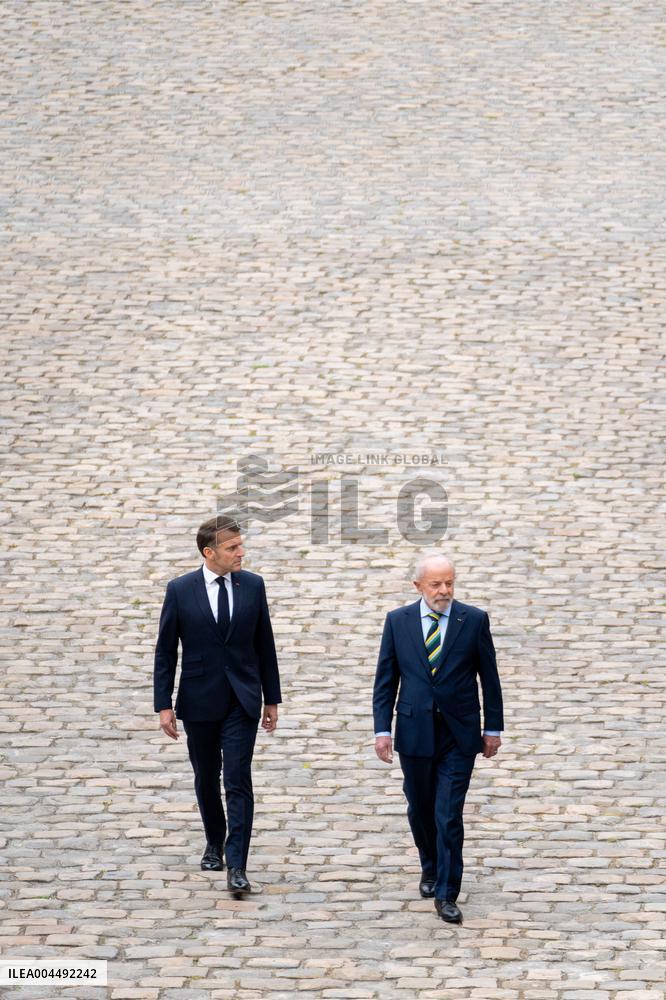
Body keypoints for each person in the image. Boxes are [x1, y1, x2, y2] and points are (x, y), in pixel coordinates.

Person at [153, 515, 281, 895]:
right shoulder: (181, 590)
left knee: (238, 778)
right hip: (198, 700)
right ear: (210, 552)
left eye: (240, 545)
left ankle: (237, 865)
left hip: (242, 699)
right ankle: (214, 839)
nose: (241, 552)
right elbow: (166, 651)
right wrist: (164, 704)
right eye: (232, 548)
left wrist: (271, 697)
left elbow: (265, 644)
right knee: (206, 776)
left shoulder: (253, 586)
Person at [372, 554, 503, 924]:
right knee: (420, 808)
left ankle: (447, 893)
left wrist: (492, 728)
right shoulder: (398, 622)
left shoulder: (473, 620)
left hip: (459, 735)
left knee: (448, 815)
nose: (444, 591)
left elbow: (489, 678)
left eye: (449, 583)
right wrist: (382, 729)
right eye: (436, 584)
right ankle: (429, 865)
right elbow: (386, 679)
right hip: (414, 732)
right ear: (418, 587)